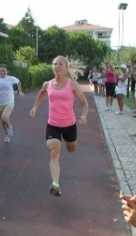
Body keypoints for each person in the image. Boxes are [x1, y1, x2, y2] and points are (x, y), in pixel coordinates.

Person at [29, 55, 88, 196]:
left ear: (66, 67)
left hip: (69, 125)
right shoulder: (47, 84)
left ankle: (71, 142)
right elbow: (41, 94)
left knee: (71, 148)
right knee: (54, 151)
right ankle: (55, 184)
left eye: (60, 64)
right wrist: (35, 107)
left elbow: (84, 103)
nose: (57, 66)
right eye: (55, 64)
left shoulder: (72, 85)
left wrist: (84, 115)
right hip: (53, 124)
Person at [0, 64, 24, 143]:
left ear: (7, 71)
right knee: (3, 122)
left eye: (4, 71)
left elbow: (18, 82)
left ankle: (10, 126)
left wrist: (20, 91)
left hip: (9, 101)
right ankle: (7, 135)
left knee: (4, 116)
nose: (2, 72)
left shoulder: (10, 78)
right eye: (1, 71)